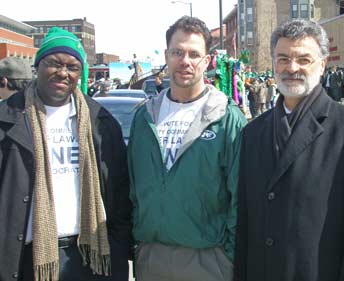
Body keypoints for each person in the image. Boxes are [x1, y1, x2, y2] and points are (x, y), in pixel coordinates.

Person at [234, 19, 344, 281]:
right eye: (283, 58)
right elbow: (246, 227)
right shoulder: (252, 133)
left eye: (303, 59)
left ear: (322, 63)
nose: (292, 68)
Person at [0, 27, 131, 281]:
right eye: (54, 63)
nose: (63, 72)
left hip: (91, 257)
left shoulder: (102, 123)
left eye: (72, 66)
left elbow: (121, 193)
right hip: (28, 260)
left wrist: (117, 250)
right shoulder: (8, 119)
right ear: (37, 67)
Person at [128, 16, 247, 281]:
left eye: (194, 54)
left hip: (207, 259)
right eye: (177, 52)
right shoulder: (144, 117)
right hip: (151, 257)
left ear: (206, 62)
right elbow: (132, 187)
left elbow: (240, 196)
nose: (185, 61)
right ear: (167, 56)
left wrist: (226, 257)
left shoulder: (226, 118)